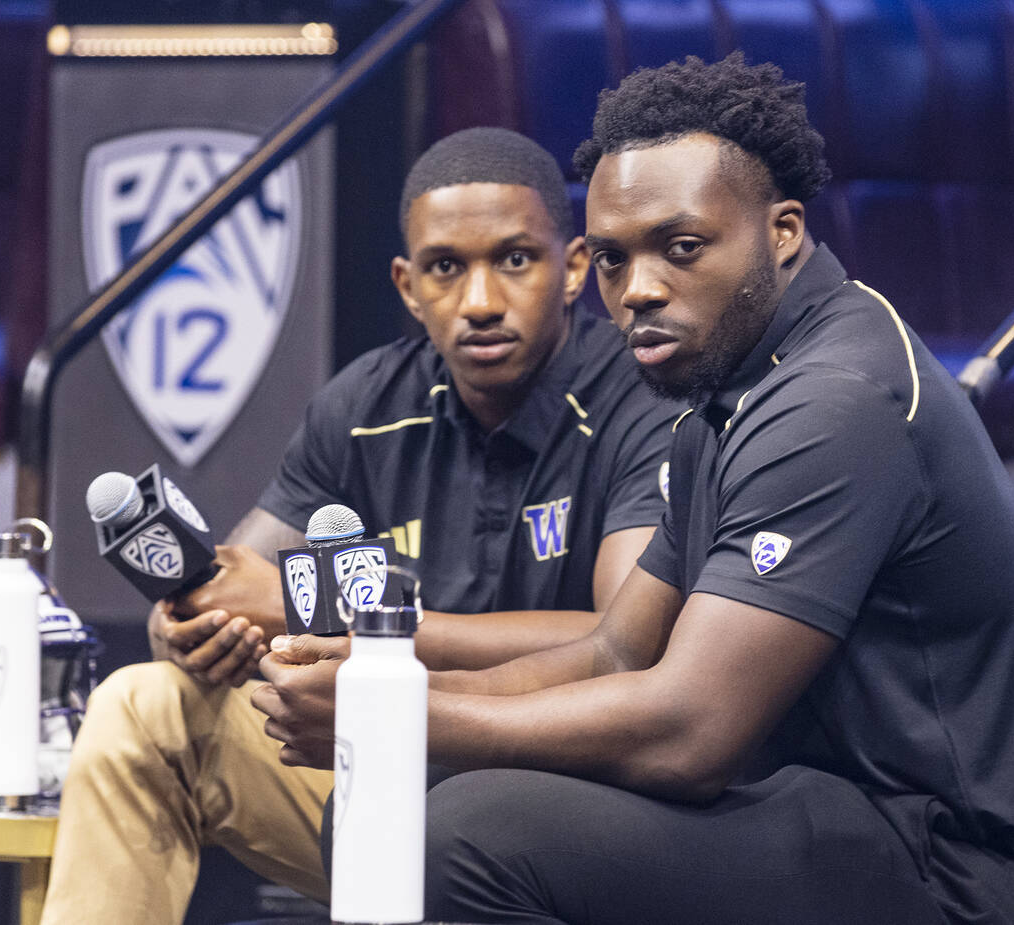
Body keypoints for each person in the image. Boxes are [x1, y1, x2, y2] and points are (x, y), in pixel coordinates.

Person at [254, 55, 1014, 923]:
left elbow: (691, 732)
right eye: (615, 260)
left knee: (456, 832)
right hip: (819, 804)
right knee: (388, 801)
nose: (640, 290)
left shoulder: (834, 399)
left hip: (945, 860)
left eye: (681, 246)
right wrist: (385, 688)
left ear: (782, 230)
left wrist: (397, 716)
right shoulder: (730, 386)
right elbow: (614, 653)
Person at [39, 126, 678, 925]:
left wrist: (354, 621)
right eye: (447, 267)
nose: (480, 301)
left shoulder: (642, 400)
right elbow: (242, 578)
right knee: (144, 703)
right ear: (409, 287)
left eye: (514, 259)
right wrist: (189, 627)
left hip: (555, 802)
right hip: (380, 776)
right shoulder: (364, 405)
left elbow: (627, 645)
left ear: (575, 267)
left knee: (464, 822)